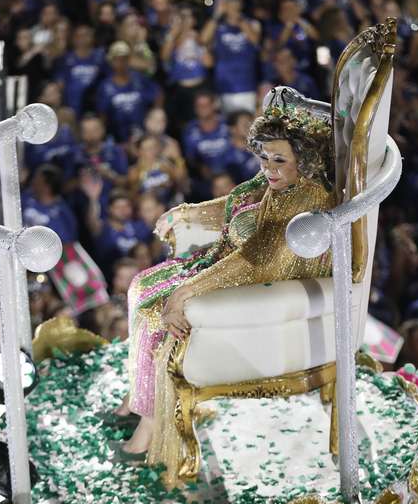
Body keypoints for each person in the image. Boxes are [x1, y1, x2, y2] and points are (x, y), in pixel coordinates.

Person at [114, 104, 337, 484]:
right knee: (142, 285)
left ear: (307, 160)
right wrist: (184, 215)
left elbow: (257, 260)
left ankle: (150, 426)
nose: (269, 168)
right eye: (264, 157)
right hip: (221, 264)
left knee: (156, 310)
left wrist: (185, 291)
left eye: (280, 160)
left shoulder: (307, 198)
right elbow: (233, 205)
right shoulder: (274, 182)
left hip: (249, 286)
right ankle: (140, 394)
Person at [200, 0, 261, 114]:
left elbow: (255, 40)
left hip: (246, 86)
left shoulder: (252, 23)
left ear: (241, 4)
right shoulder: (217, 26)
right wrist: (217, 15)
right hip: (224, 86)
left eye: (236, 1)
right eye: (229, 1)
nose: (233, 4)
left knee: (248, 126)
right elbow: (203, 39)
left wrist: (238, 19)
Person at [95, 40, 162, 143]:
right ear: (111, 61)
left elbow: (158, 94)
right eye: (118, 59)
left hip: (143, 135)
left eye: (125, 59)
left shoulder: (139, 79)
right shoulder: (105, 87)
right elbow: (102, 116)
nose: (122, 63)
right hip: (117, 138)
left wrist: (153, 117)